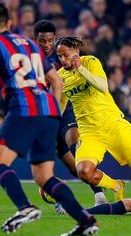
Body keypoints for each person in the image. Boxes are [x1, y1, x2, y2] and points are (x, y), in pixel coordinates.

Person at [0, 2, 98, 236]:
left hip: (23, 109)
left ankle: (25, 208)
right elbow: (57, 81)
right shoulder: (29, 46)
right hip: (48, 112)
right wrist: (54, 111)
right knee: (44, 177)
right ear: (9, 23)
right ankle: (86, 220)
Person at [56, 36, 131, 201]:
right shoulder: (60, 76)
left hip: (113, 124)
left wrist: (81, 69)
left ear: (76, 51)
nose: (62, 60)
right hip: (89, 132)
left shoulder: (91, 62)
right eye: (59, 56)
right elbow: (61, 104)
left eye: (65, 55)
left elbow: (103, 86)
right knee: (84, 172)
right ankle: (116, 185)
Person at [33, 20, 107, 206]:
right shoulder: (30, 60)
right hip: (46, 115)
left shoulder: (61, 56)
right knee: (74, 168)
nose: (47, 45)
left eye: (50, 40)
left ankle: (99, 195)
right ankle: (63, 200)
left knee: (75, 142)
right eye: (43, 41)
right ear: (36, 40)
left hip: (66, 110)